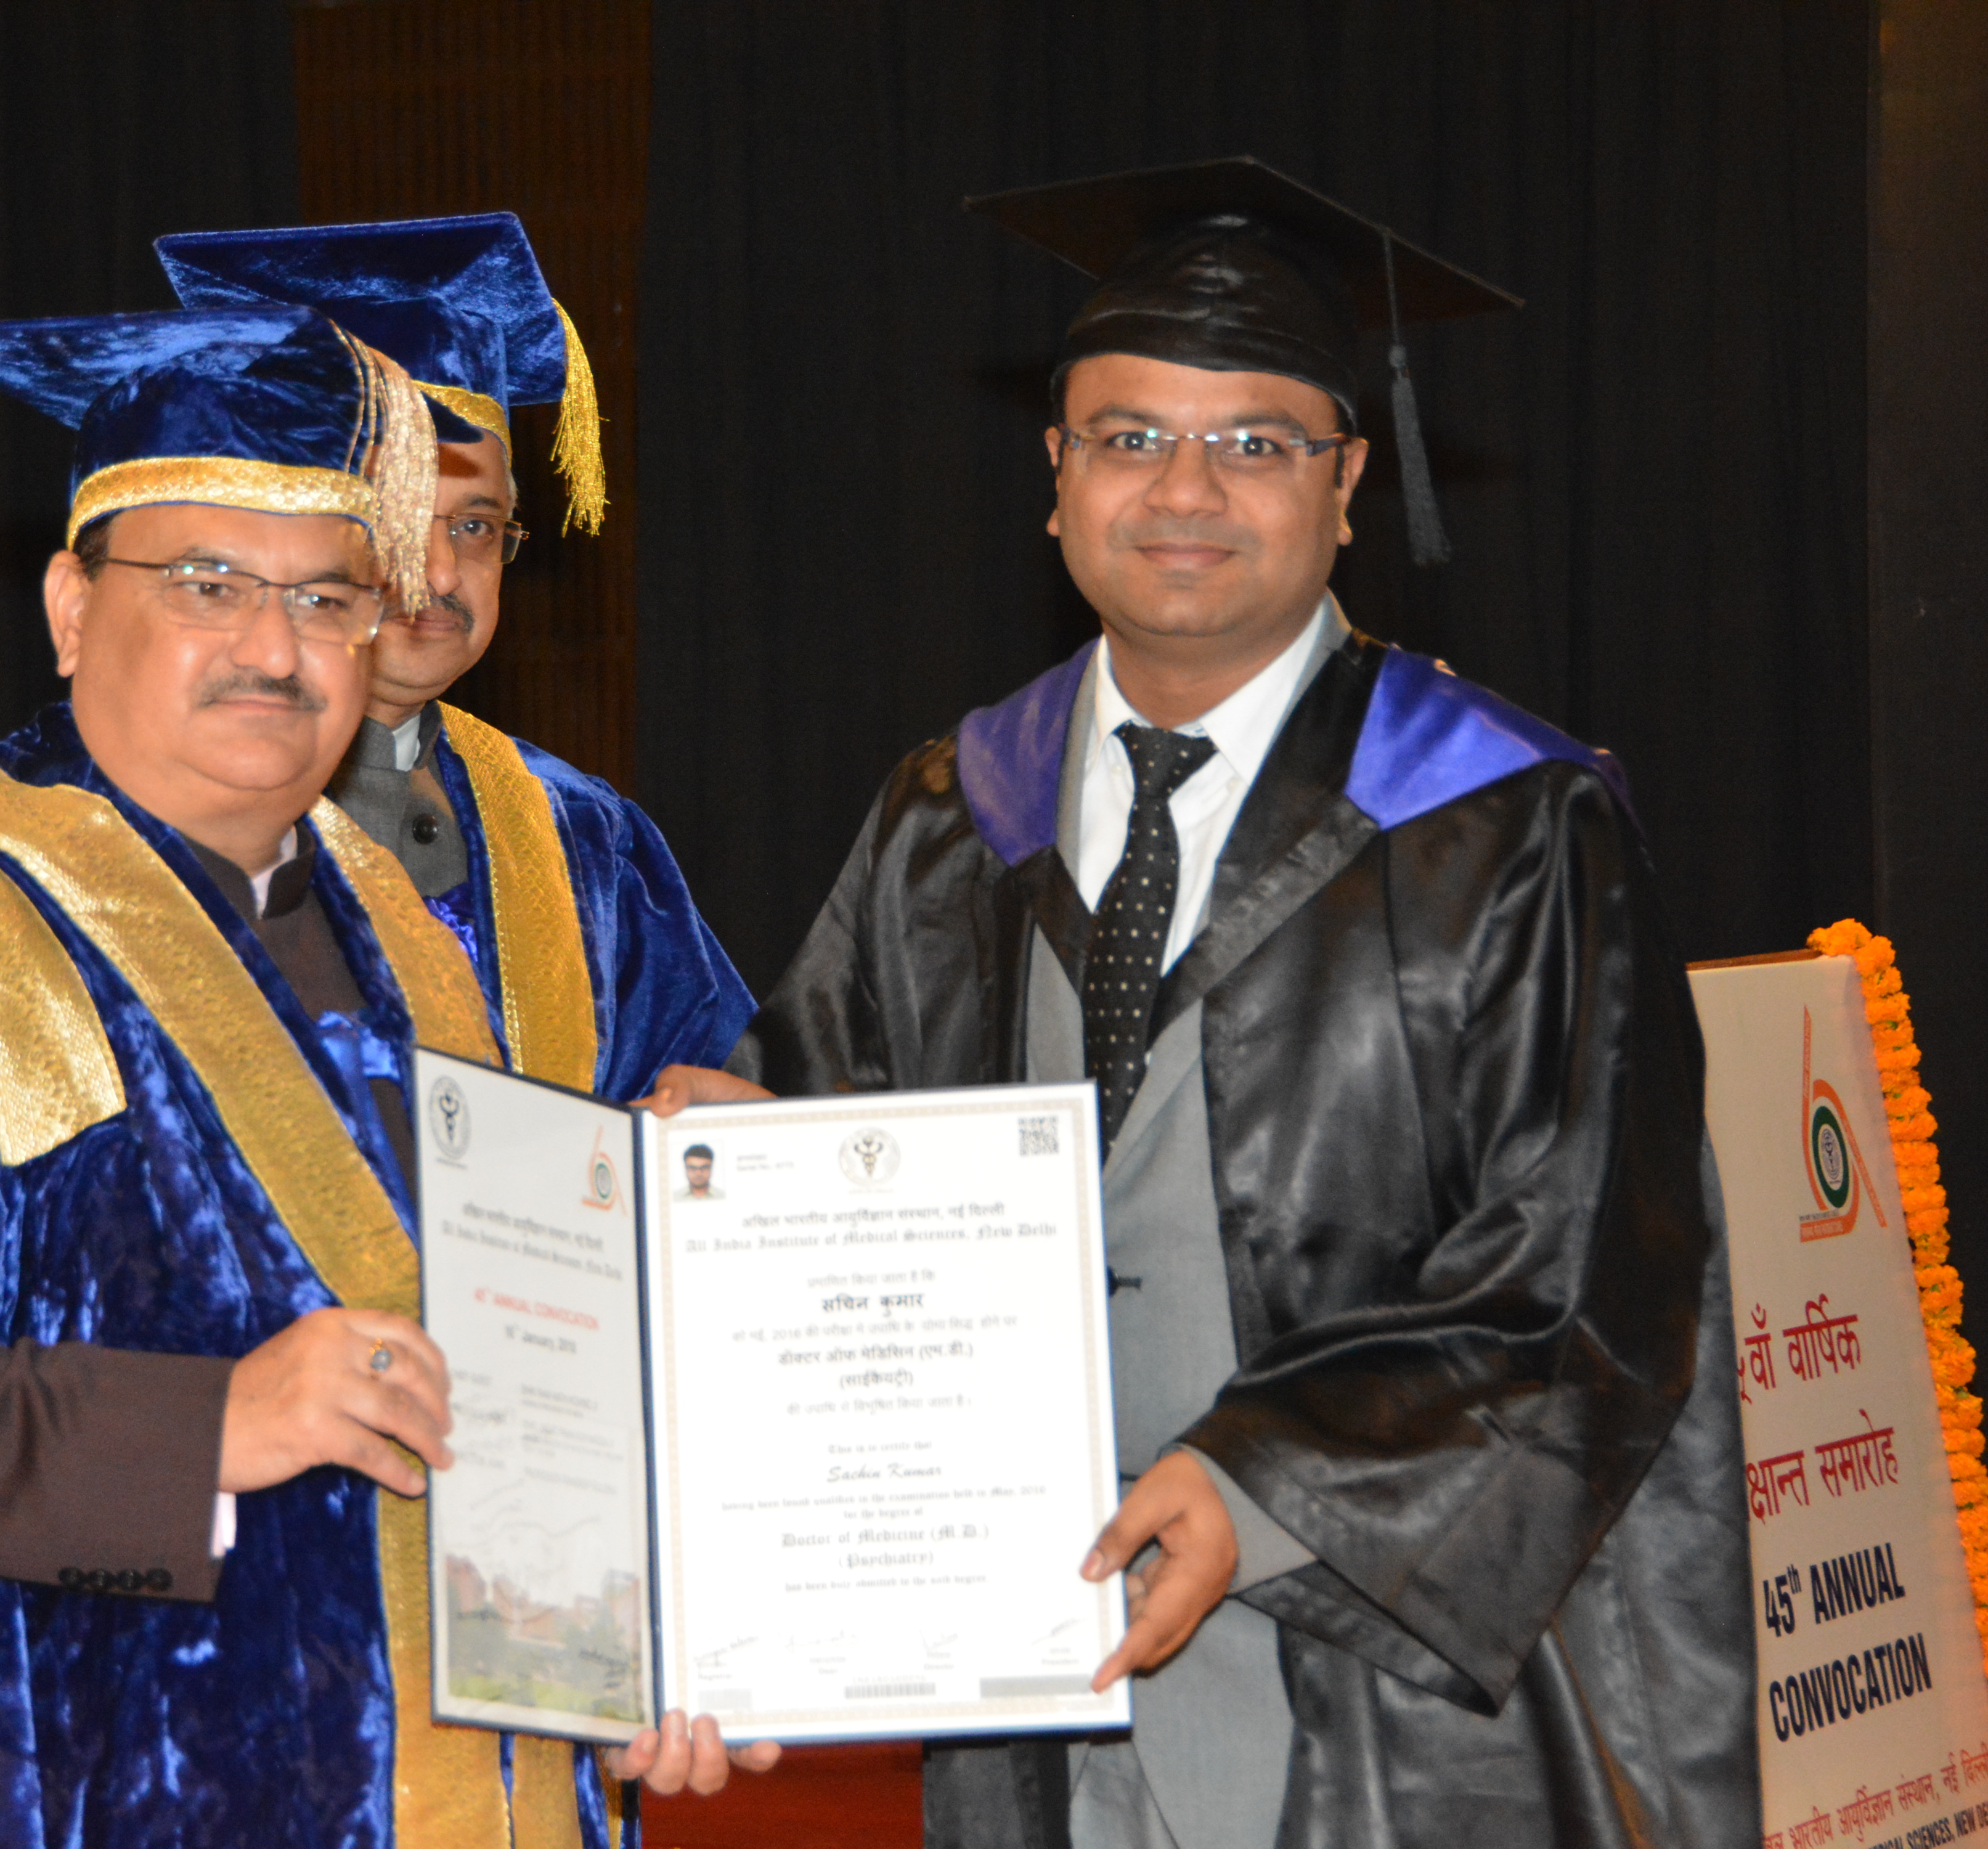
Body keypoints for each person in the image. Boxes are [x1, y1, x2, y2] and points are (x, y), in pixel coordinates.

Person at [649, 158, 1758, 1848]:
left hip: (1387, 1698)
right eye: (1129, 436)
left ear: (1346, 483)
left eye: (1255, 442)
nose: (1185, 489)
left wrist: (1263, 1481)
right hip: (1022, 1673)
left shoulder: (1509, 824)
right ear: (1056, 473)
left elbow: (1591, 1285)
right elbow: (824, 1146)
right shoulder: (949, 813)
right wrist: (729, 1176)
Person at [0, 303, 769, 1848]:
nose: (272, 647)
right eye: (206, 584)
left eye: (327, 597)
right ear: (70, 608)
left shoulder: (418, 949)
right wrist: (208, 1429)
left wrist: (636, 1631)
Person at [158, 213, 756, 1101]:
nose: (439, 573)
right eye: (396, 517)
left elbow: (718, 1091)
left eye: (476, 527)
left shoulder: (580, 833)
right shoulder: (156, 822)